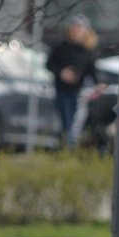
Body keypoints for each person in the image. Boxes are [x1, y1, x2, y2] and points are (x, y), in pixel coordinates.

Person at [45, 18, 99, 146]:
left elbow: (91, 71)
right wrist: (62, 73)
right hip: (62, 89)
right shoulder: (61, 48)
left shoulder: (87, 51)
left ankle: (70, 143)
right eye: (75, 28)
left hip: (78, 91)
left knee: (77, 119)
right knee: (64, 117)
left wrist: (99, 84)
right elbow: (49, 65)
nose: (78, 32)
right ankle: (64, 144)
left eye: (81, 29)